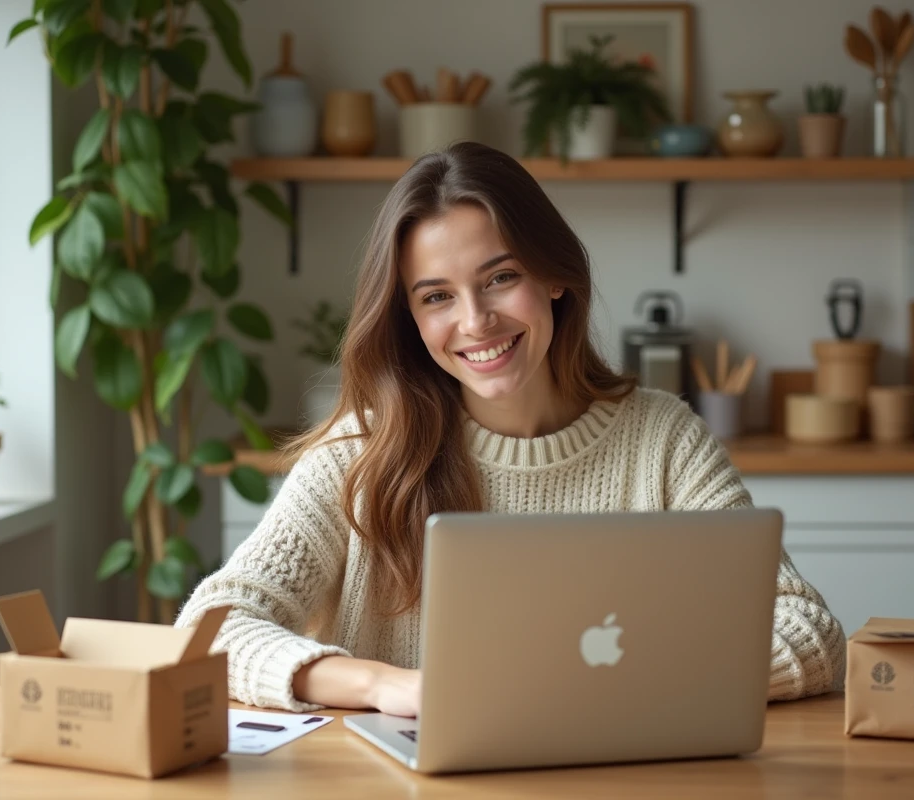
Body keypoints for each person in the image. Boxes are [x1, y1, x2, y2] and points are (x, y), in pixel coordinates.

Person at [175, 142, 845, 716]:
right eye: (437, 296)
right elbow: (211, 631)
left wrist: (611, 694)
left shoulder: (662, 440)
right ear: (409, 317)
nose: (475, 321)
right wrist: (387, 686)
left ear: (554, 276)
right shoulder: (361, 451)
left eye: (500, 279)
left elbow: (807, 632)